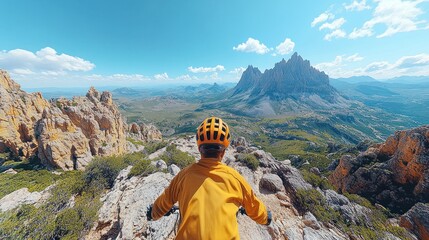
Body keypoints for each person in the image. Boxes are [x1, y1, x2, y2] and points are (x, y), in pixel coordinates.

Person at [147, 116, 271, 239]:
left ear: (199, 149)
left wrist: (152, 214)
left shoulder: (184, 176)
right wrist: (266, 218)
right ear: (223, 152)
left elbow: (164, 202)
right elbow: (255, 208)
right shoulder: (235, 179)